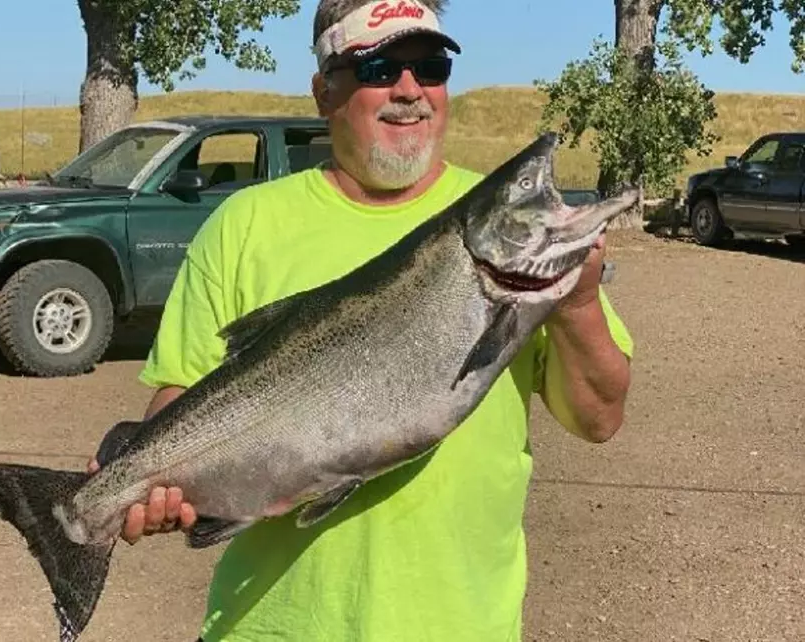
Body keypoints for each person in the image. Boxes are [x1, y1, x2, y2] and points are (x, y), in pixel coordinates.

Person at [88, 0, 634, 639]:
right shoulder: (243, 224)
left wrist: (575, 300)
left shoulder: (517, 249)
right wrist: (142, 478)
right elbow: (182, 396)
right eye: (379, 68)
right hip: (270, 627)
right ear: (324, 91)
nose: (411, 90)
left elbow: (600, 418)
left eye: (430, 67)